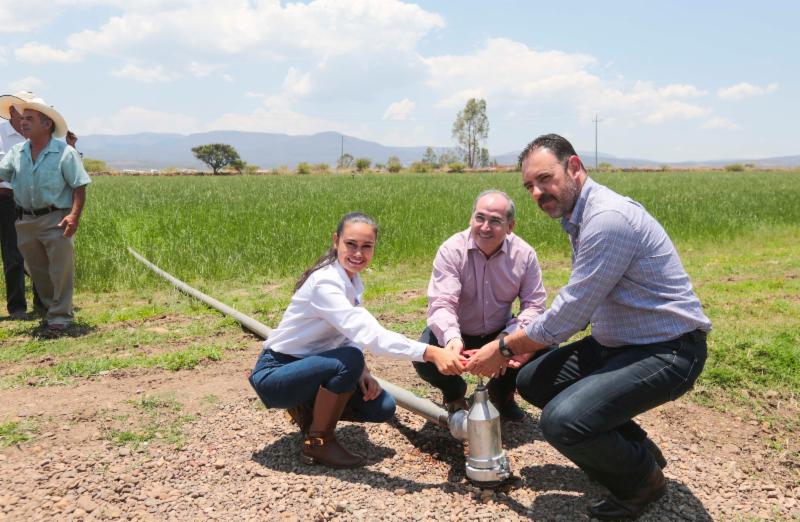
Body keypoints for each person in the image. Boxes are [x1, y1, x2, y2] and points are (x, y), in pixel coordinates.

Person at [466, 134, 711, 520]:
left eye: (545, 178)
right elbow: (578, 308)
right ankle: (636, 451)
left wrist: (505, 347)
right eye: (529, 186)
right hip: (620, 343)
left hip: (669, 350)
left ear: (575, 167)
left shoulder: (606, 219)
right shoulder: (580, 218)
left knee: (562, 421)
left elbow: (571, 312)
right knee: (533, 381)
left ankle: (641, 482)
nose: (537, 192)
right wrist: (527, 344)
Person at [249, 212, 464, 469]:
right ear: (336, 241)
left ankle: (308, 411)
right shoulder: (326, 283)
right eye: (351, 244)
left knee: (381, 407)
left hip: (311, 369)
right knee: (350, 359)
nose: (358, 253)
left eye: (366, 246)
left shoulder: (351, 279)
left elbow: (348, 333)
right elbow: (370, 335)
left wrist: (362, 371)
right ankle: (318, 442)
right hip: (277, 373)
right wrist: (431, 352)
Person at [413, 189, 546, 421]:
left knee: (541, 345)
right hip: (459, 331)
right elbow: (442, 303)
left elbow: (534, 306)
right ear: (471, 218)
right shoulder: (451, 250)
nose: (485, 227)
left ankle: (502, 393)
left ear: (510, 226)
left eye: (495, 221)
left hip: (500, 330)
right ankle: (454, 392)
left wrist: (505, 342)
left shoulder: (524, 254)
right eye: (480, 217)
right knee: (423, 356)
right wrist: (452, 340)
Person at [0, 97, 91, 334]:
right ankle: (53, 312)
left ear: (46, 124)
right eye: (23, 119)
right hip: (25, 221)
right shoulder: (17, 152)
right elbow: (2, 174)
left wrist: (74, 216)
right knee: (38, 271)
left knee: (60, 269)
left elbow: (79, 185)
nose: (23, 123)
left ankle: (61, 316)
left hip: (55, 218)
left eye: (29, 119)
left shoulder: (64, 153)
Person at [0, 92, 34, 319]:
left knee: (33, 252)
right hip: (5, 199)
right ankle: (17, 308)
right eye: (23, 111)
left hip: (30, 201)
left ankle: (41, 303)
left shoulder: (37, 136)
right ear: (11, 111)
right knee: (13, 253)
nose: (27, 118)